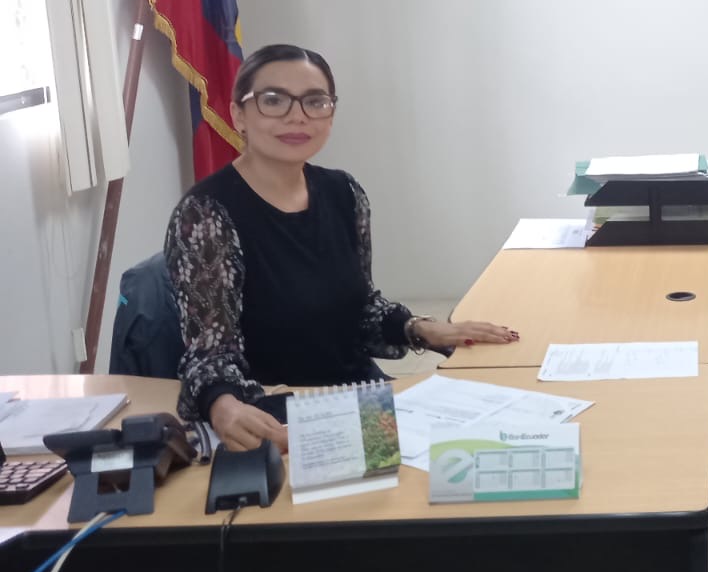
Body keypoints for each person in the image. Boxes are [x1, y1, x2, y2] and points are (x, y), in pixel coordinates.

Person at [165, 44, 519, 452]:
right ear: (238, 114)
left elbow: (360, 307)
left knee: (489, 441)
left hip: (361, 398)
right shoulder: (206, 214)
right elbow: (211, 352)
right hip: (277, 417)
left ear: (330, 114)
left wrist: (420, 328)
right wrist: (223, 405)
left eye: (315, 101)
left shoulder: (344, 192)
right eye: (274, 100)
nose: (297, 116)